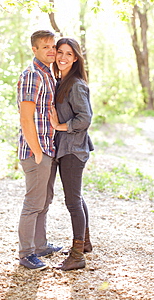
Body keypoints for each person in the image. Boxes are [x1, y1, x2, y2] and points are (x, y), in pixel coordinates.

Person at [17, 30, 62, 270]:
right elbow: (26, 119)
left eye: (53, 46)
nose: (51, 50)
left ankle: (41, 245)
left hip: (49, 147)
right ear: (34, 50)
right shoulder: (32, 75)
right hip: (37, 151)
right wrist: (37, 152)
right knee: (33, 203)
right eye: (45, 47)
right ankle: (26, 254)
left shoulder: (49, 75)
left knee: (45, 201)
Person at [49, 37, 94, 271]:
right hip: (66, 148)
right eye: (60, 53)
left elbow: (85, 118)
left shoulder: (76, 84)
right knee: (77, 197)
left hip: (73, 149)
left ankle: (77, 255)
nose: (63, 57)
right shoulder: (61, 81)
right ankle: (84, 242)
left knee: (72, 201)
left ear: (75, 58)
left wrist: (61, 127)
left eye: (69, 54)